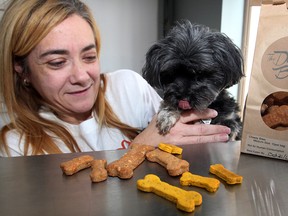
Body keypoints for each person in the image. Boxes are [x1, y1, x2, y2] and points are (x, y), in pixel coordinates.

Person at [0, 0, 231, 157]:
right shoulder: (15, 147)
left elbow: (194, 133)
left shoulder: (128, 87)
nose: (82, 76)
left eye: (89, 56)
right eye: (57, 62)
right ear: (22, 69)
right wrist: (138, 149)